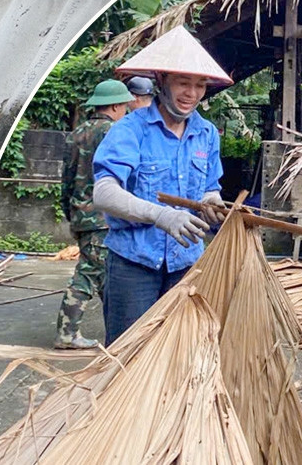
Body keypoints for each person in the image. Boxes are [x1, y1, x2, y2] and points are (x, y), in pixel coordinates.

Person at [92, 25, 232, 344]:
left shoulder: (207, 134)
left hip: (187, 263)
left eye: (200, 84)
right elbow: (104, 193)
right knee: (128, 355)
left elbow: (210, 187)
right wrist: (161, 216)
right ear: (162, 80)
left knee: (178, 353)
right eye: (184, 82)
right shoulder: (131, 129)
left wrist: (212, 202)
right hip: (134, 263)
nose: (192, 93)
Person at [55, 79, 135, 349]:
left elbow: (65, 179)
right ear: (114, 106)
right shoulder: (116, 132)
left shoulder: (76, 133)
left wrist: (70, 211)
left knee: (103, 274)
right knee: (89, 274)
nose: (126, 110)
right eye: (124, 105)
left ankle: (119, 331)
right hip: (104, 216)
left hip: (81, 214)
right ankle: (67, 334)